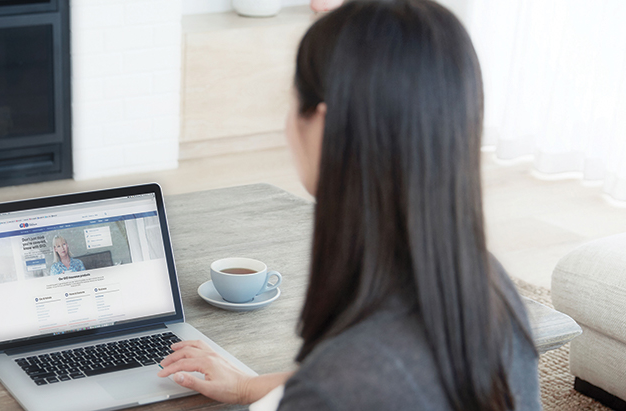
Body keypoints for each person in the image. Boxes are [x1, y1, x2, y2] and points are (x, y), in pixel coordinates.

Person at [154, 1, 540, 410]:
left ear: (324, 127)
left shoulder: (336, 389)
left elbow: (349, 382)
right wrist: (250, 386)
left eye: (292, 102)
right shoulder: (491, 292)